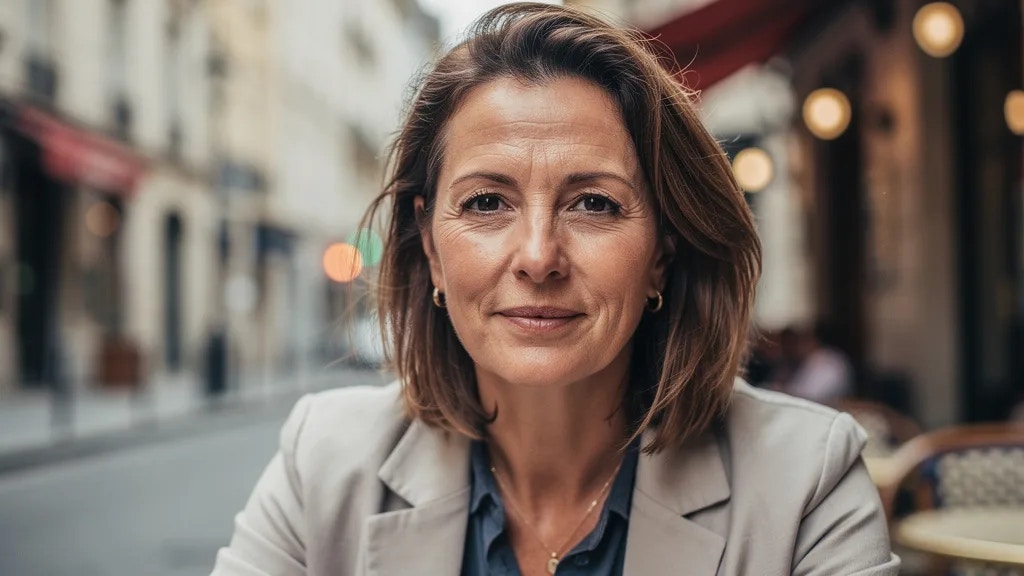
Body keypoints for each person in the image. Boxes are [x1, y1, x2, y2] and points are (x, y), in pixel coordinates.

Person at [211, 4, 899, 575]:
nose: (539, 258)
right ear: (431, 246)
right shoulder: (323, 463)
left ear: (662, 253)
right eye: (487, 203)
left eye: (594, 204)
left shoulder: (805, 480)